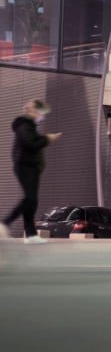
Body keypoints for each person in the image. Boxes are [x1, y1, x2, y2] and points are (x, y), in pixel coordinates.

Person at [1, 99, 61, 244]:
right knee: (30, 199)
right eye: (42, 113)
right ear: (34, 111)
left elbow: (31, 141)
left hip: (31, 167)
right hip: (25, 166)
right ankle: (5, 223)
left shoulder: (29, 125)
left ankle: (31, 234)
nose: (43, 117)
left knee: (32, 201)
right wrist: (47, 139)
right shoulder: (24, 124)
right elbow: (30, 143)